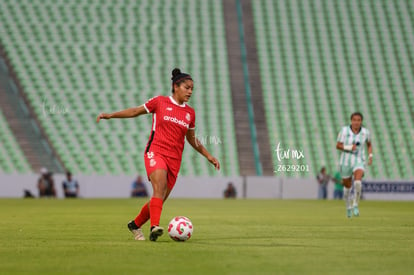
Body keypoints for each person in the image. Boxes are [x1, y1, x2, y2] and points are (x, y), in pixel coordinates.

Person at [97, 68, 220, 241]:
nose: (190, 91)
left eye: (192, 88)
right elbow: (134, 112)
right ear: (175, 86)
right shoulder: (160, 102)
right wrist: (111, 115)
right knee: (159, 186)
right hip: (156, 151)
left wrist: (209, 156)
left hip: (175, 160)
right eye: (187, 87)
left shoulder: (190, 113)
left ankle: (134, 225)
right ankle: (155, 226)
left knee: (159, 198)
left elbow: (192, 139)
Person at [336, 112, 372, 218]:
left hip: (359, 160)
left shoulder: (366, 132)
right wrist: (349, 147)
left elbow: (369, 144)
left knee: (357, 182)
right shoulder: (344, 131)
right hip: (345, 161)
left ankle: (356, 204)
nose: (356, 122)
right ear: (351, 121)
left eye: (359, 120)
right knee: (347, 188)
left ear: (361, 121)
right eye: (354, 120)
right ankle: (348, 206)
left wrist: (370, 156)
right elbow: (338, 145)